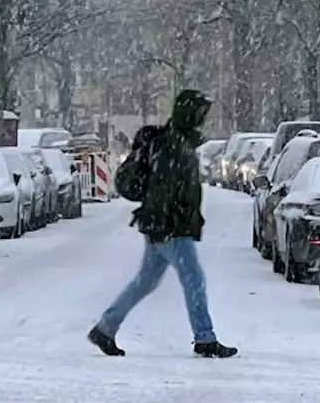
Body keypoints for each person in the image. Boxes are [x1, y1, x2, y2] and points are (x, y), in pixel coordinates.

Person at [87, 89, 237, 359]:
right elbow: (165, 190)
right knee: (194, 278)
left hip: (162, 225)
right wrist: (173, 221)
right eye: (201, 113)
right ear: (190, 113)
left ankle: (105, 328)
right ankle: (205, 338)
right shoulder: (172, 144)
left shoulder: (175, 141)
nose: (203, 119)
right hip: (170, 227)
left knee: (145, 282)